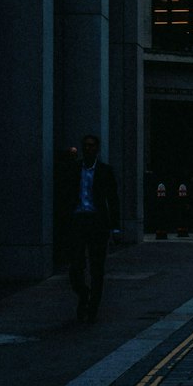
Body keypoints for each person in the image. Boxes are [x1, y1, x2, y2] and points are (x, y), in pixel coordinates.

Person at [65, 133, 120, 322]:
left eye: (92, 146)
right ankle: (83, 293)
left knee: (97, 268)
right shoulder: (73, 170)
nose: (89, 149)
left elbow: (113, 200)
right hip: (79, 220)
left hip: (97, 223)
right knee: (75, 266)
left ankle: (93, 307)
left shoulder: (105, 171)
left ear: (97, 149)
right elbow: (65, 197)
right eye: (86, 146)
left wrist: (115, 227)